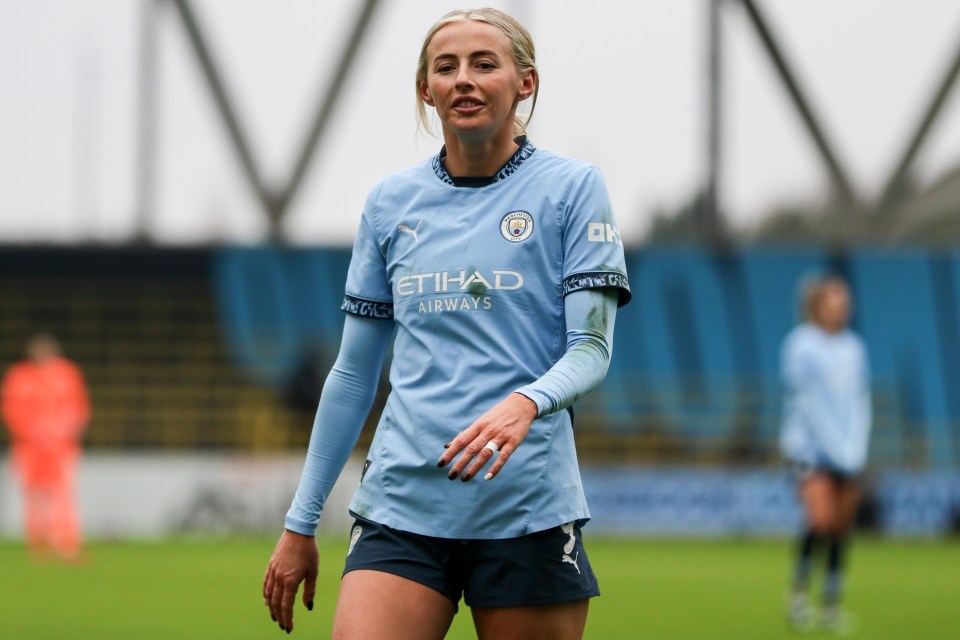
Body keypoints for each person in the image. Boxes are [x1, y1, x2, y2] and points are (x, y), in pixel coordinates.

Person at [262, 8, 631, 638]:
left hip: (526, 507)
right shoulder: (389, 204)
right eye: (446, 66)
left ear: (526, 83)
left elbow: (591, 348)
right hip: (401, 505)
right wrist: (301, 522)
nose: (464, 78)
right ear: (425, 90)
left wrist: (525, 403)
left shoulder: (572, 189)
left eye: (484, 64)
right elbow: (353, 375)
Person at [779, 275, 871, 633]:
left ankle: (831, 606)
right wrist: (837, 447)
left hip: (849, 451)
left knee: (840, 528)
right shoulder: (801, 345)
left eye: (845, 300)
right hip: (811, 450)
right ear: (819, 304)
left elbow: (860, 400)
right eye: (836, 300)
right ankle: (799, 597)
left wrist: (856, 446)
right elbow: (809, 403)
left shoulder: (854, 348)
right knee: (819, 521)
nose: (843, 306)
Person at [1, 333, 91, 561]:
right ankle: (39, 543)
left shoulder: (67, 373)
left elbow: (78, 408)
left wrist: (62, 430)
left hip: (61, 447)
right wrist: (33, 431)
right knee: (34, 495)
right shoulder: (19, 376)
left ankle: (66, 542)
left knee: (63, 494)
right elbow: (11, 410)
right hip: (29, 448)